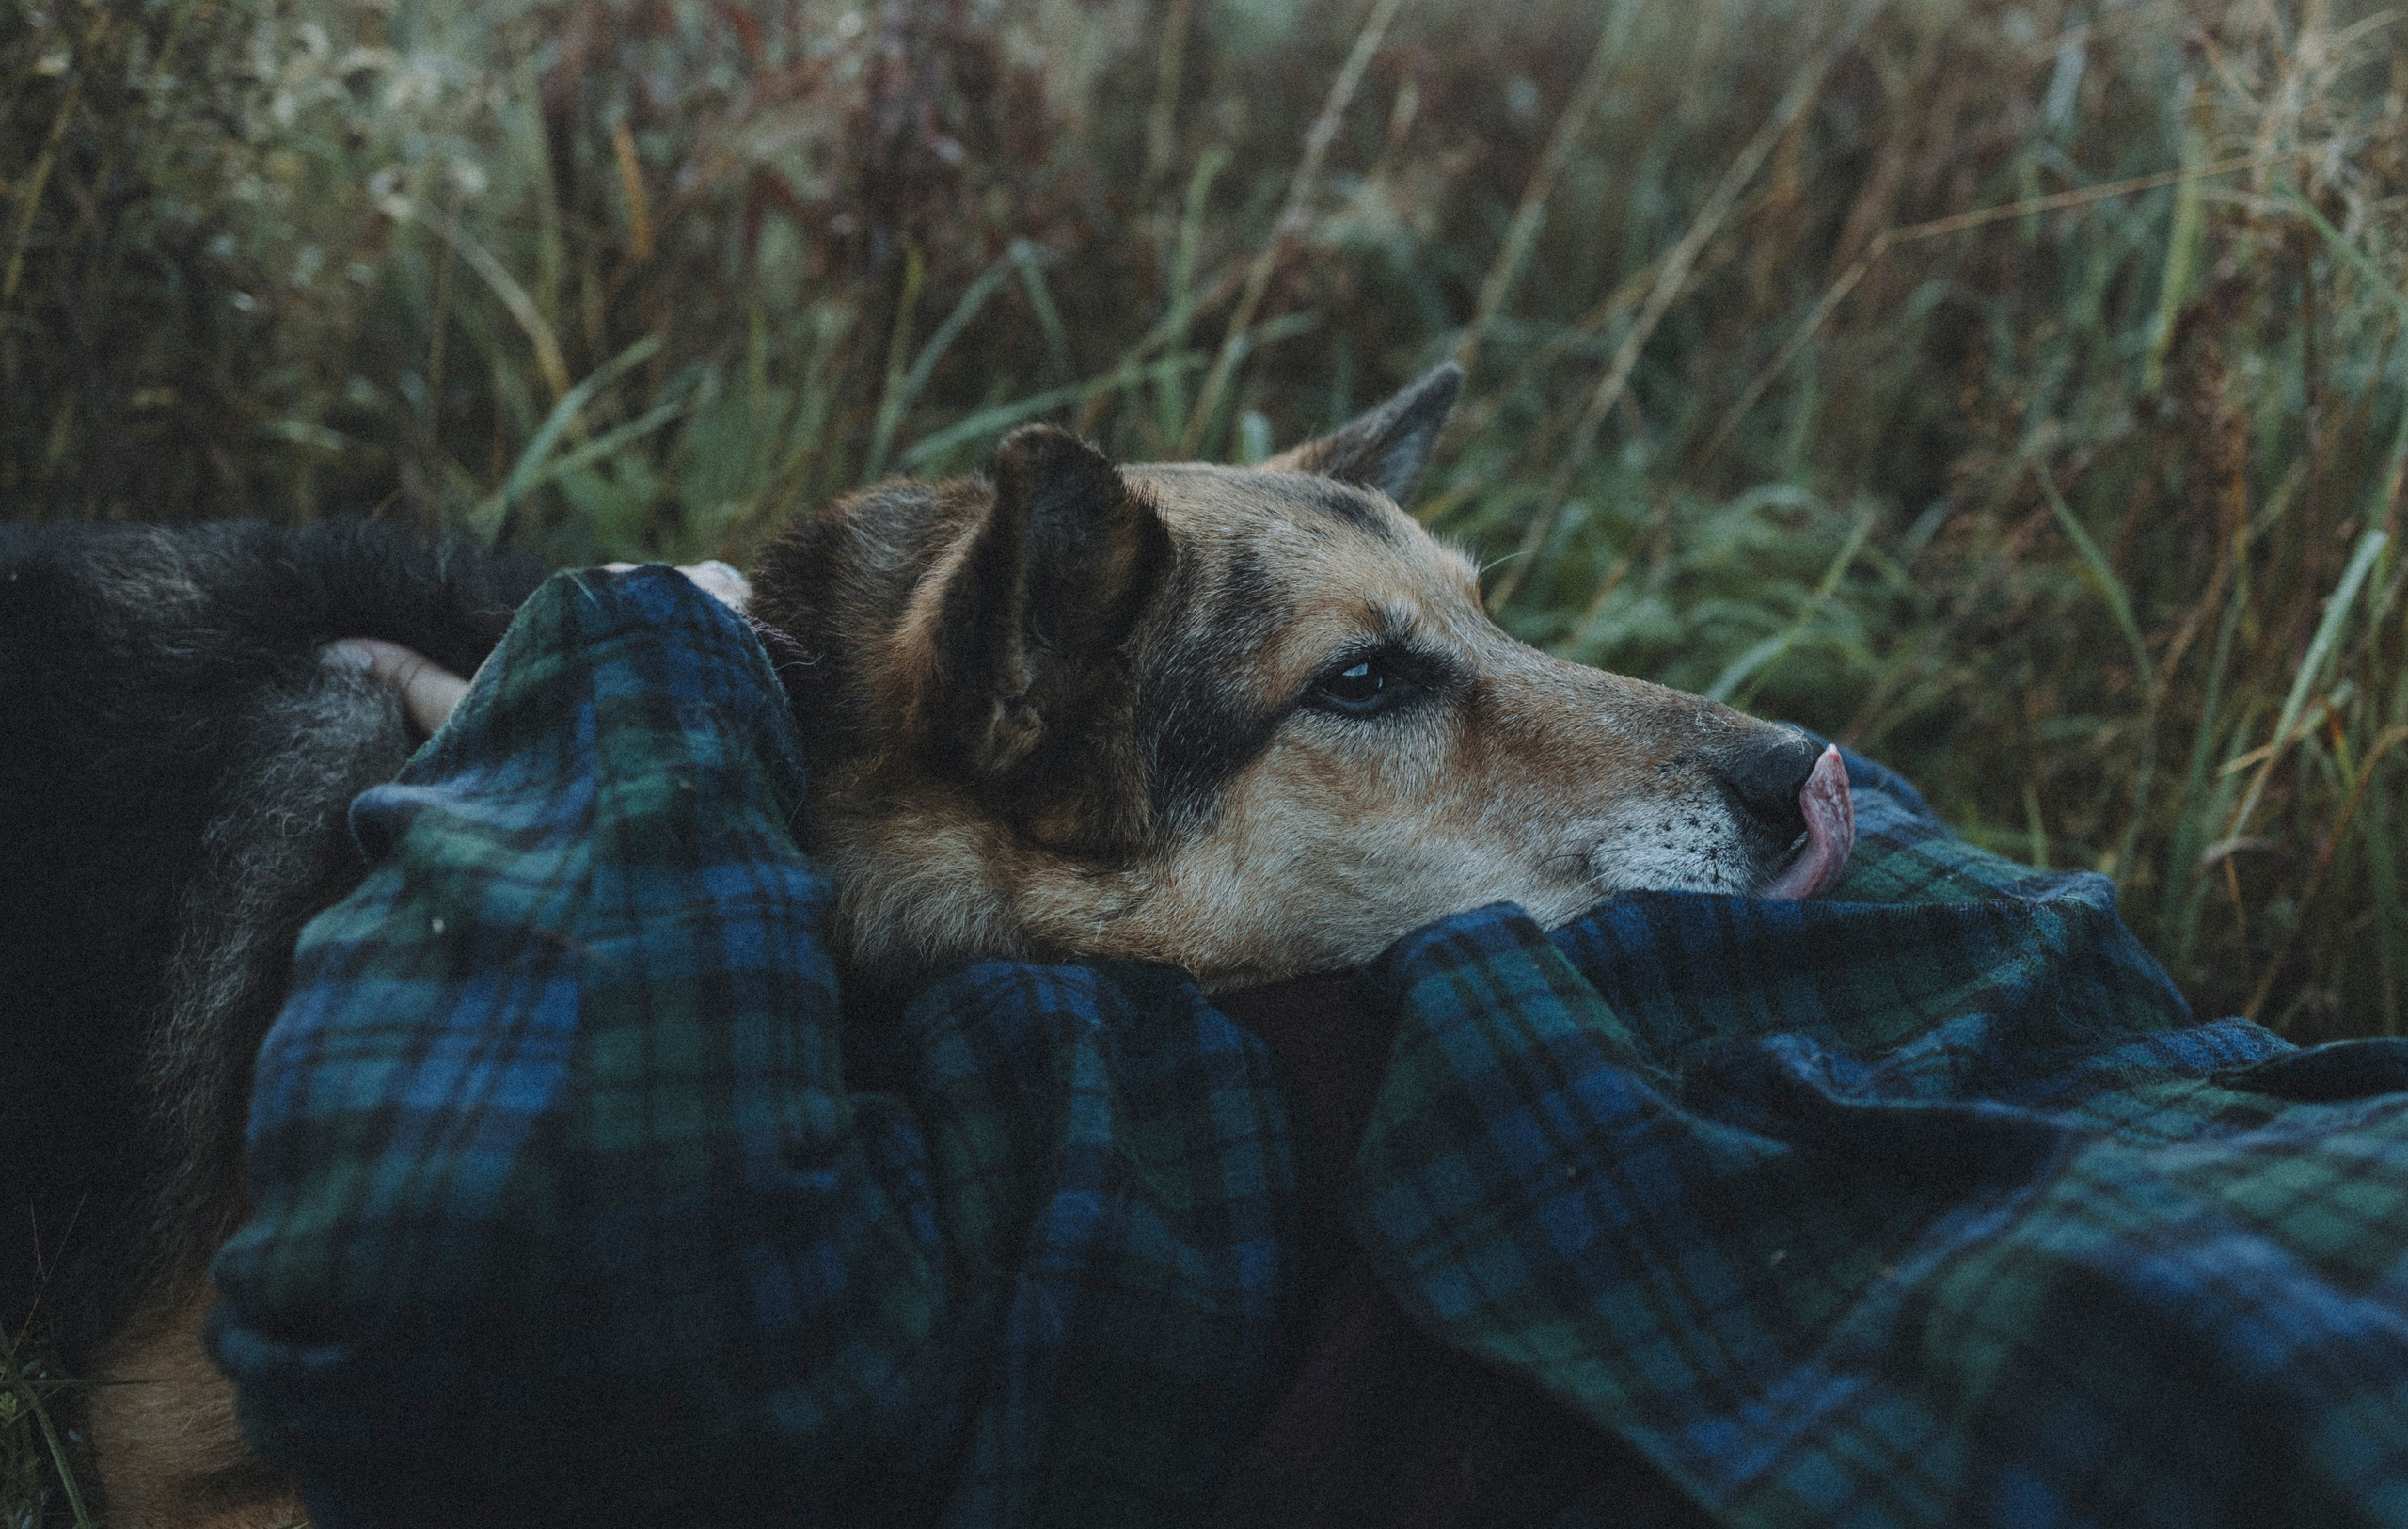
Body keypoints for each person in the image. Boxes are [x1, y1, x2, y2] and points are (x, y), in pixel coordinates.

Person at [214, 564, 2408, 1529]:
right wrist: (636, 653)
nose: (1769, 755)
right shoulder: (1044, 1159)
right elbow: (499, 1278)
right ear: (1023, 776)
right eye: (1375, 687)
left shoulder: (1414, 915)